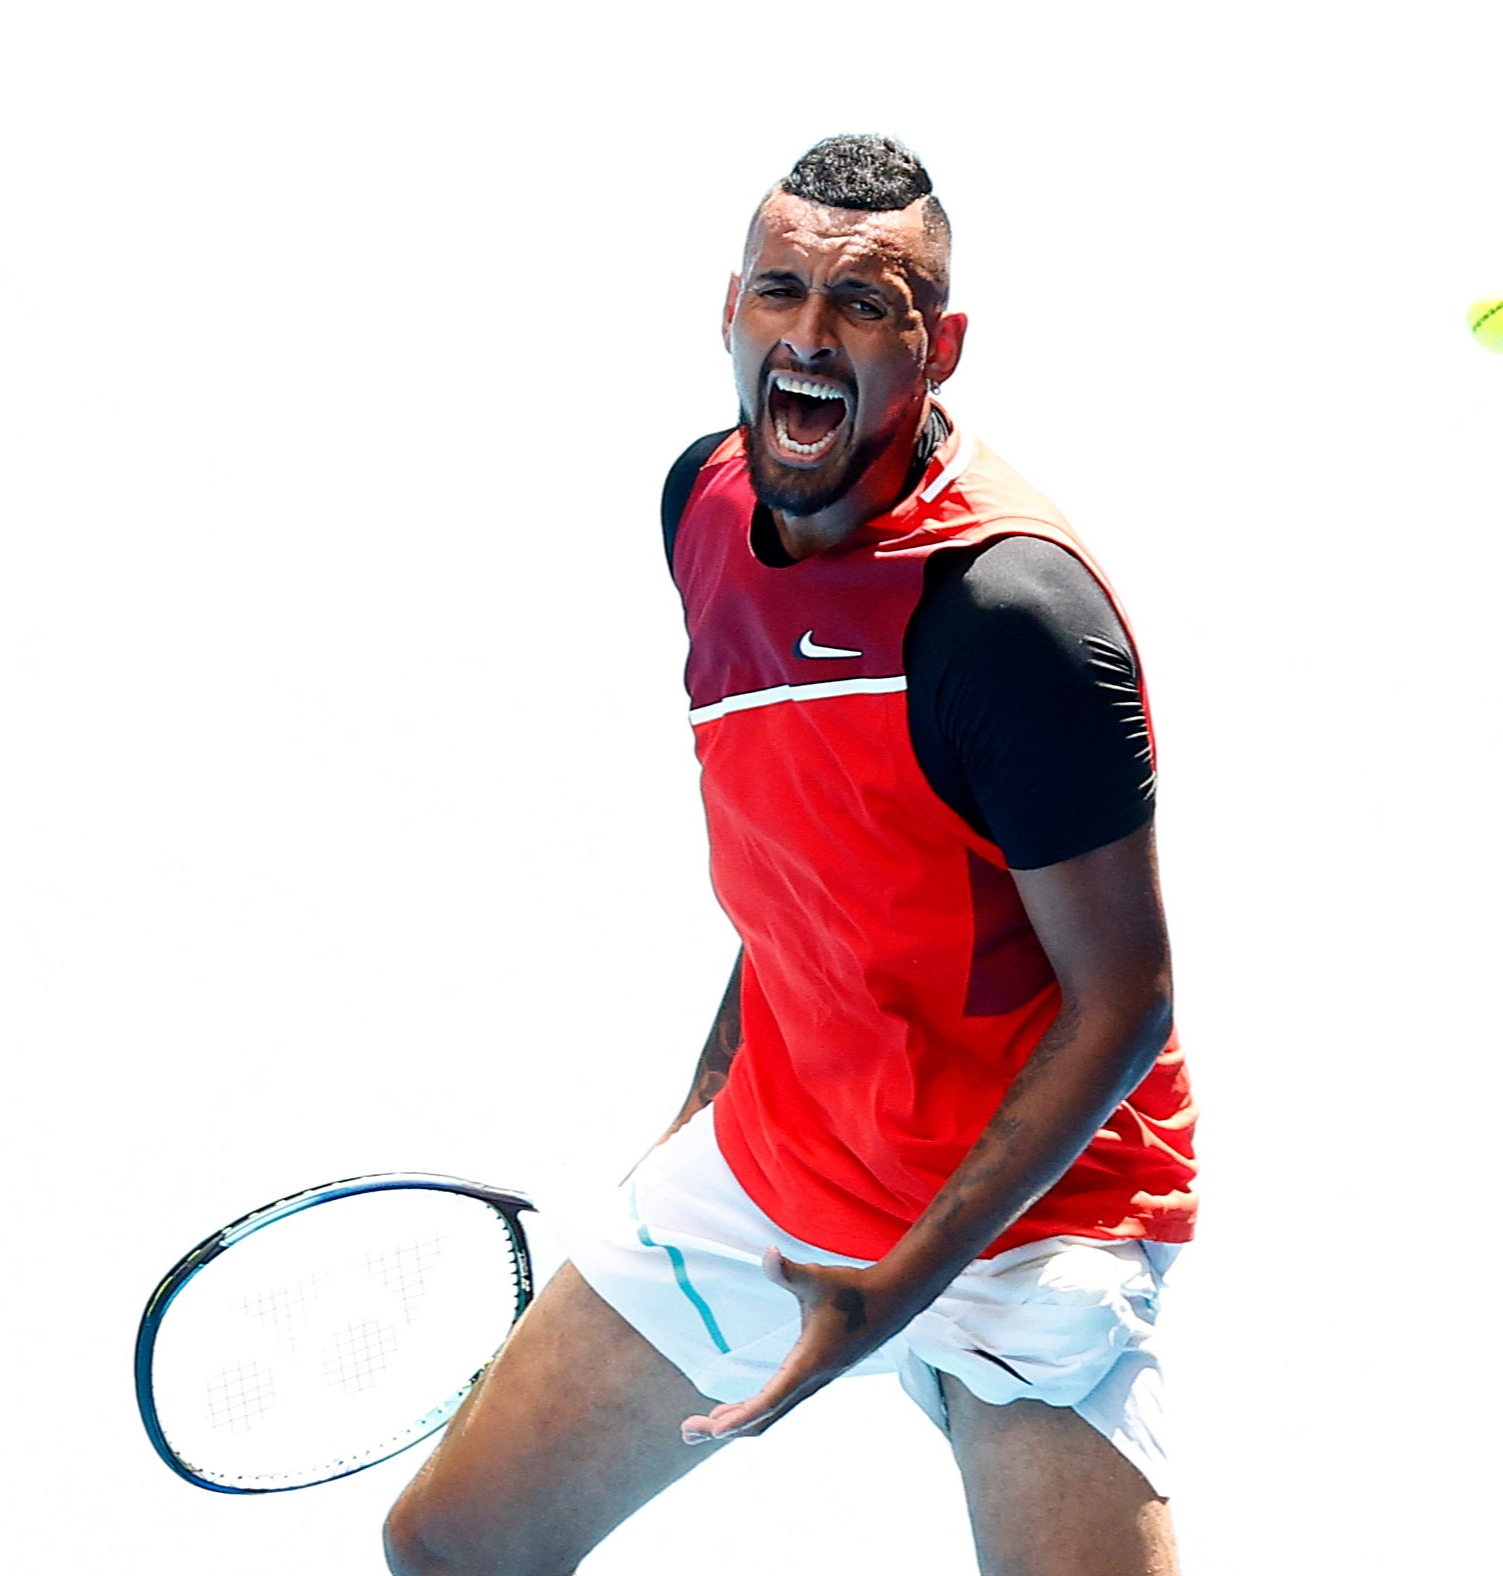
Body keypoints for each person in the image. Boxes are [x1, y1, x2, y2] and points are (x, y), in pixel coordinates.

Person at [384, 134, 1199, 1576]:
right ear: (731, 313)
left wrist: (887, 1299)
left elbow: (1126, 1001)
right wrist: (706, 1107)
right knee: (453, 1553)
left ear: (937, 348)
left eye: (867, 306)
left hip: (1031, 1224)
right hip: (788, 1157)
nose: (812, 337)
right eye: (782, 292)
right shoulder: (699, 513)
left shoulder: (1007, 617)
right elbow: (814, 857)